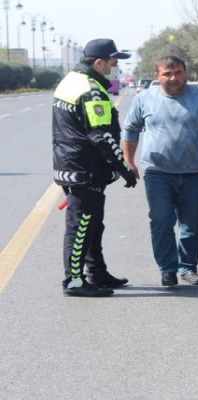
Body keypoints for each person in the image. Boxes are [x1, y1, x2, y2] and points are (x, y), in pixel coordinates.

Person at [121, 55, 198, 287]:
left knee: (191, 224)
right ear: (158, 76)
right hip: (157, 172)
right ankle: (168, 269)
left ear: (185, 73)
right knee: (161, 220)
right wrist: (128, 161)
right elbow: (130, 129)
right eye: (167, 74)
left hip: (193, 173)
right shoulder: (145, 98)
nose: (174, 78)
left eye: (178, 73)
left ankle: (188, 268)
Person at [52, 38, 138, 297]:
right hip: (85, 168)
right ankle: (75, 281)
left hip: (72, 165)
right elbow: (101, 136)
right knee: (82, 225)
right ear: (98, 63)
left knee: (92, 223)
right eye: (113, 62)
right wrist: (124, 168)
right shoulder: (90, 90)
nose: (115, 66)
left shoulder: (71, 81)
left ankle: (97, 273)